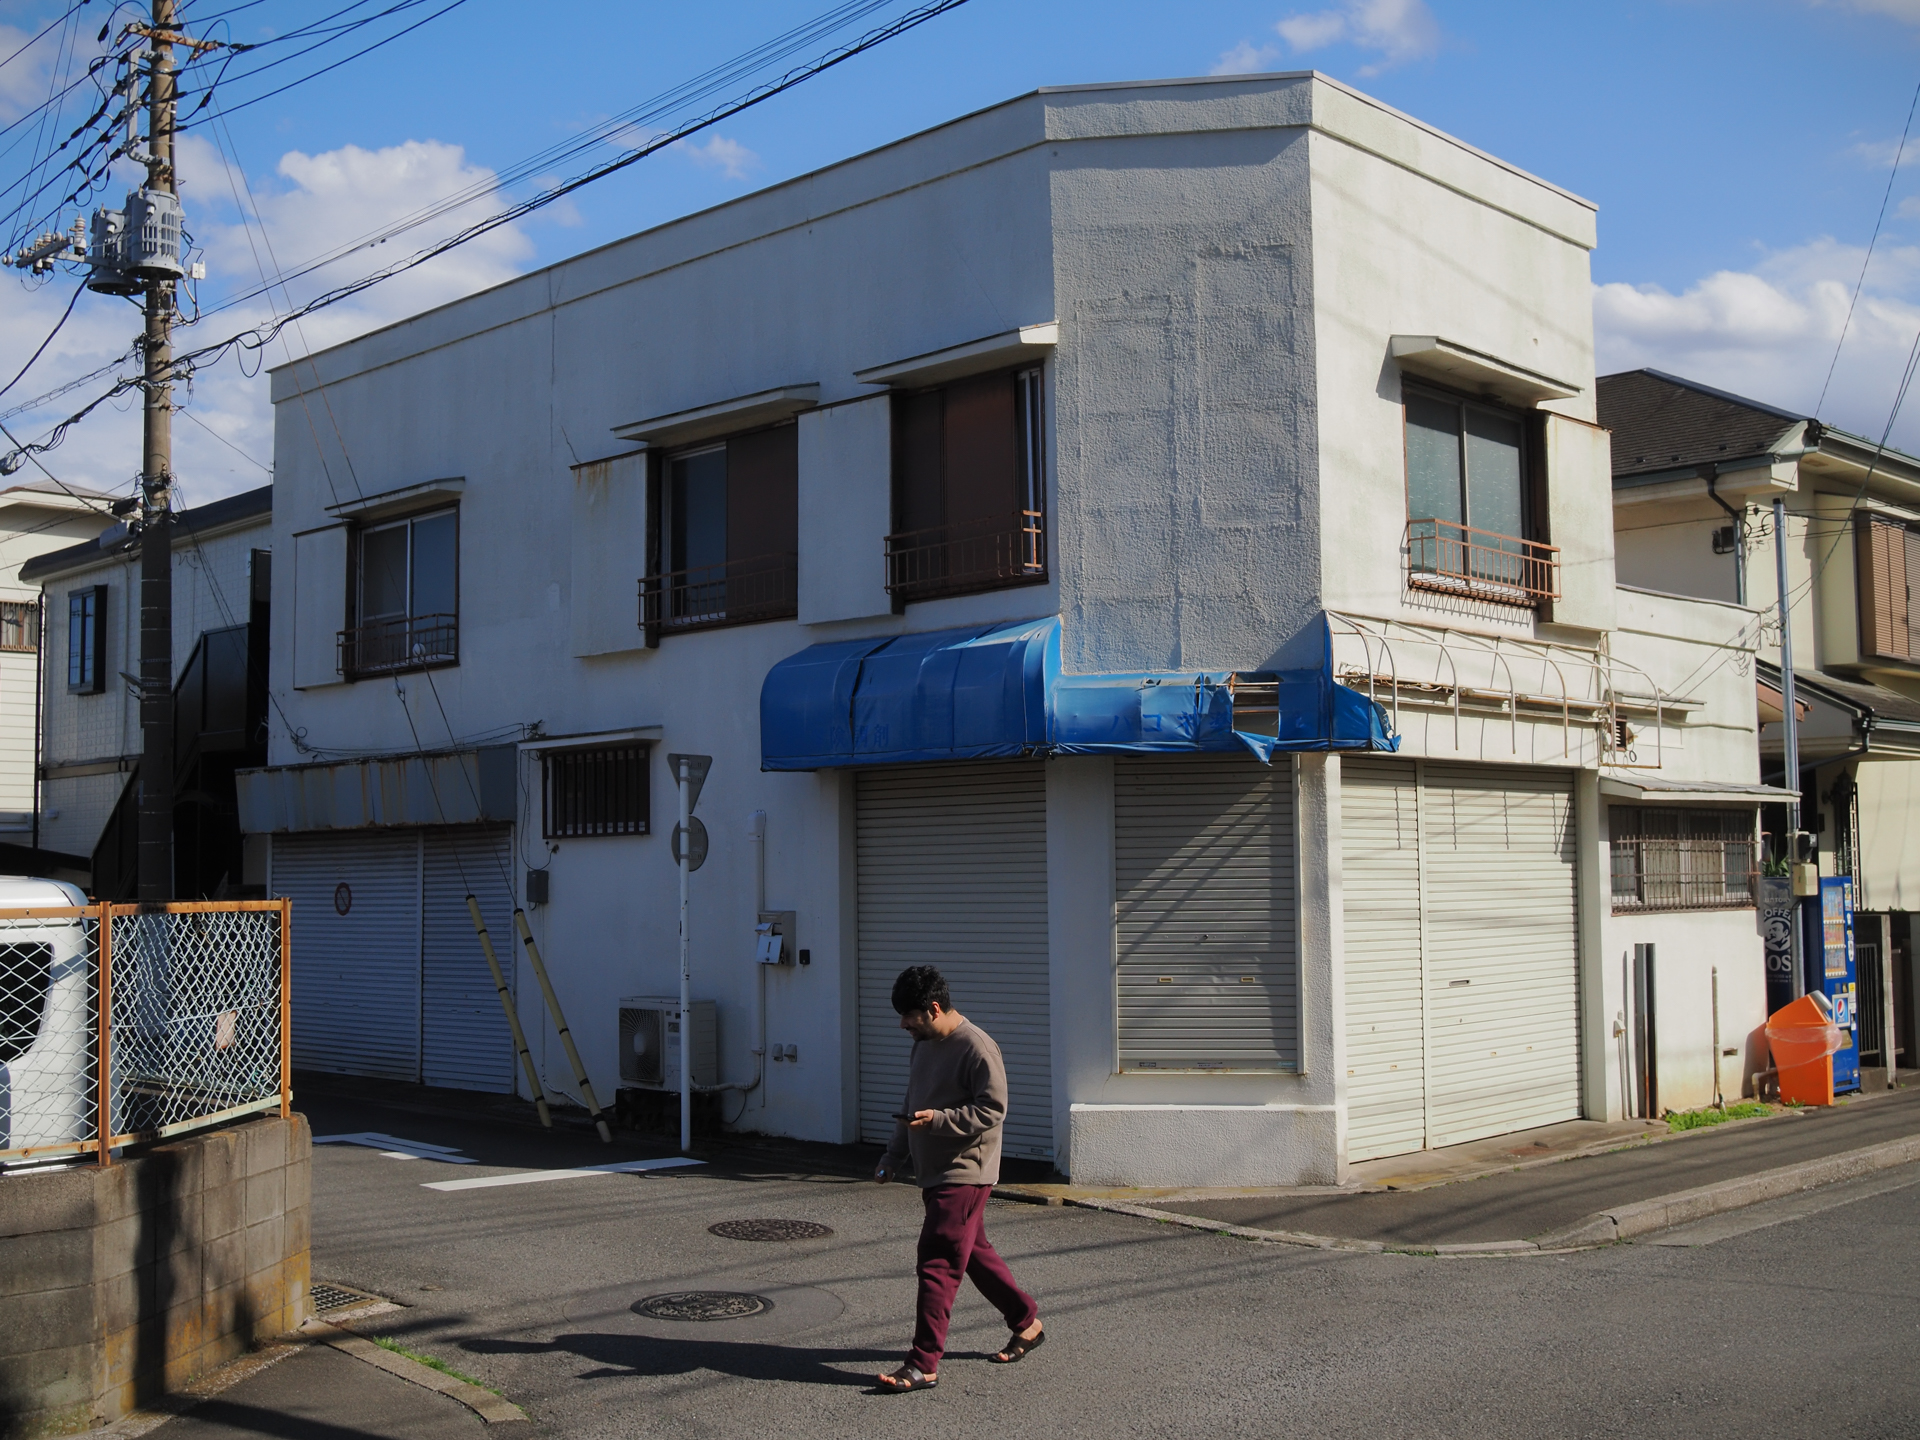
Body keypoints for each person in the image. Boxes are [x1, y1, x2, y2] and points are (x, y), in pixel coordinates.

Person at [873, 964, 1044, 1394]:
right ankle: (1027, 1322)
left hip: (966, 1172)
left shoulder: (978, 1047)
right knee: (972, 1253)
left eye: (908, 1016)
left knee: (937, 1259)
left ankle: (923, 1362)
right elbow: (911, 1103)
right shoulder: (923, 1045)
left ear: (932, 1008)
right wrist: (893, 1157)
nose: (902, 1026)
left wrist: (939, 1121)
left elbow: (993, 1109)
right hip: (933, 1172)